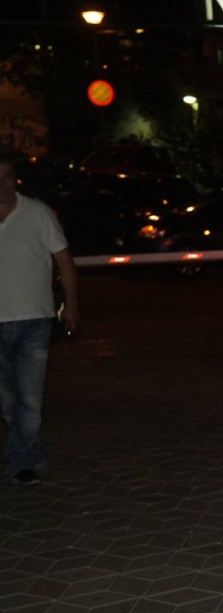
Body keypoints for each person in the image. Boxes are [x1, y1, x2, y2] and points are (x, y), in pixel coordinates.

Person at [0, 153, 79, 485]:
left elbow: (64, 260)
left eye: (7, 176)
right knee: (8, 401)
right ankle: (31, 449)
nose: (2, 184)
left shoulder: (38, 213)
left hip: (34, 320)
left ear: (15, 178)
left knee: (30, 398)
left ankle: (19, 461)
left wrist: (71, 305)